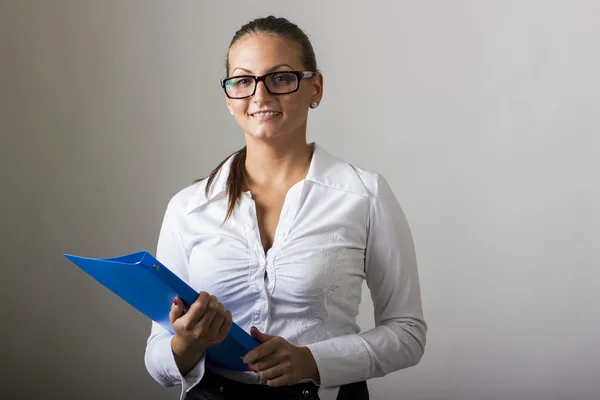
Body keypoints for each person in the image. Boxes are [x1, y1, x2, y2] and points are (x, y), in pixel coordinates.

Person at [144, 15, 427, 400]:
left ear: (316, 88)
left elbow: (407, 332)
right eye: (243, 80)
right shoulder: (188, 207)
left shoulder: (364, 195)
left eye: (280, 78)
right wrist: (185, 345)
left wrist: (313, 360)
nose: (259, 96)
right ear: (229, 98)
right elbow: (157, 354)